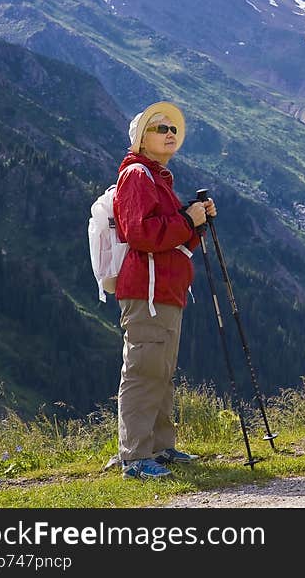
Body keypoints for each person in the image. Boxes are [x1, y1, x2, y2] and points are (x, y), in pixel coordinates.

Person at [113, 101, 216, 480]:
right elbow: (141, 234)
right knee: (144, 370)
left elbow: (171, 236)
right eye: (160, 128)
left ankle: (160, 446)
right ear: (142, 137)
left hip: (165, 290)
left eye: (173, 128)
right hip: (148, 292)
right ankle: (135, 457)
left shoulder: (157, 179)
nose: (170, 133)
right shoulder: (138, 175)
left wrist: (195, 222)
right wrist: (187, 218)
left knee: (161, 370)